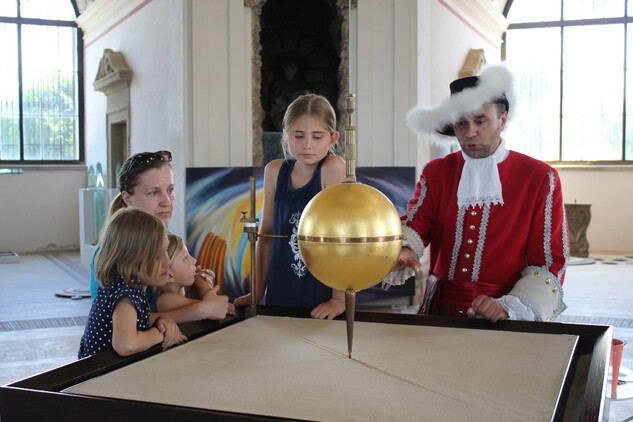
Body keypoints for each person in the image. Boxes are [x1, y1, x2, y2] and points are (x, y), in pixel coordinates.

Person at [383, 64, 569, 323]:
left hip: (504, 313)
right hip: (439, 311)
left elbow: (550, 260)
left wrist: (509, 307)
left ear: (502, 120)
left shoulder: (539, 177)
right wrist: (404, 249)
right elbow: (416, 222)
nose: (470, 133)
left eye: (481, 121)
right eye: (461, 123)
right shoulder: (436, 172)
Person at [234, 93, 346, 319]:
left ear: (333, 139)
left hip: (322, 285)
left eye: (317, 137)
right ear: (286, 136)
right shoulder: (274, 171)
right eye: (299, 135)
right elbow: (266, 234)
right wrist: (256, 292)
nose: (307, 144)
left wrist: (338, 299)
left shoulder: (332, 167)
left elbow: (340, 235)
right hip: (282, 280)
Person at [88, 151, 227, 320]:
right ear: (128, 198)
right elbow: (122, 327)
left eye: (170, 190)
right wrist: (201, 309)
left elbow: (180, 289)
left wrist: (200, 286)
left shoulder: (168, 240)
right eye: (154, 193)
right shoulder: (114, 252)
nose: (167, 202)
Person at [78, 208, 187, 359]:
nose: (167, 262)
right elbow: (126, 345)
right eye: (157, 256)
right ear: (131, 261)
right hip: (99, 375)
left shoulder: (129, 287)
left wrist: (160, 321)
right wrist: (159, 334)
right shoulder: (126, 293)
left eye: (166, 252)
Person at [151, 234, 235, 321]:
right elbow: (211, 305)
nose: (194, 260)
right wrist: (205, 289)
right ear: (169, 276)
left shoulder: (184, 291)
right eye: (186, 258)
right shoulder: (165, 300)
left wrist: (201, 279)